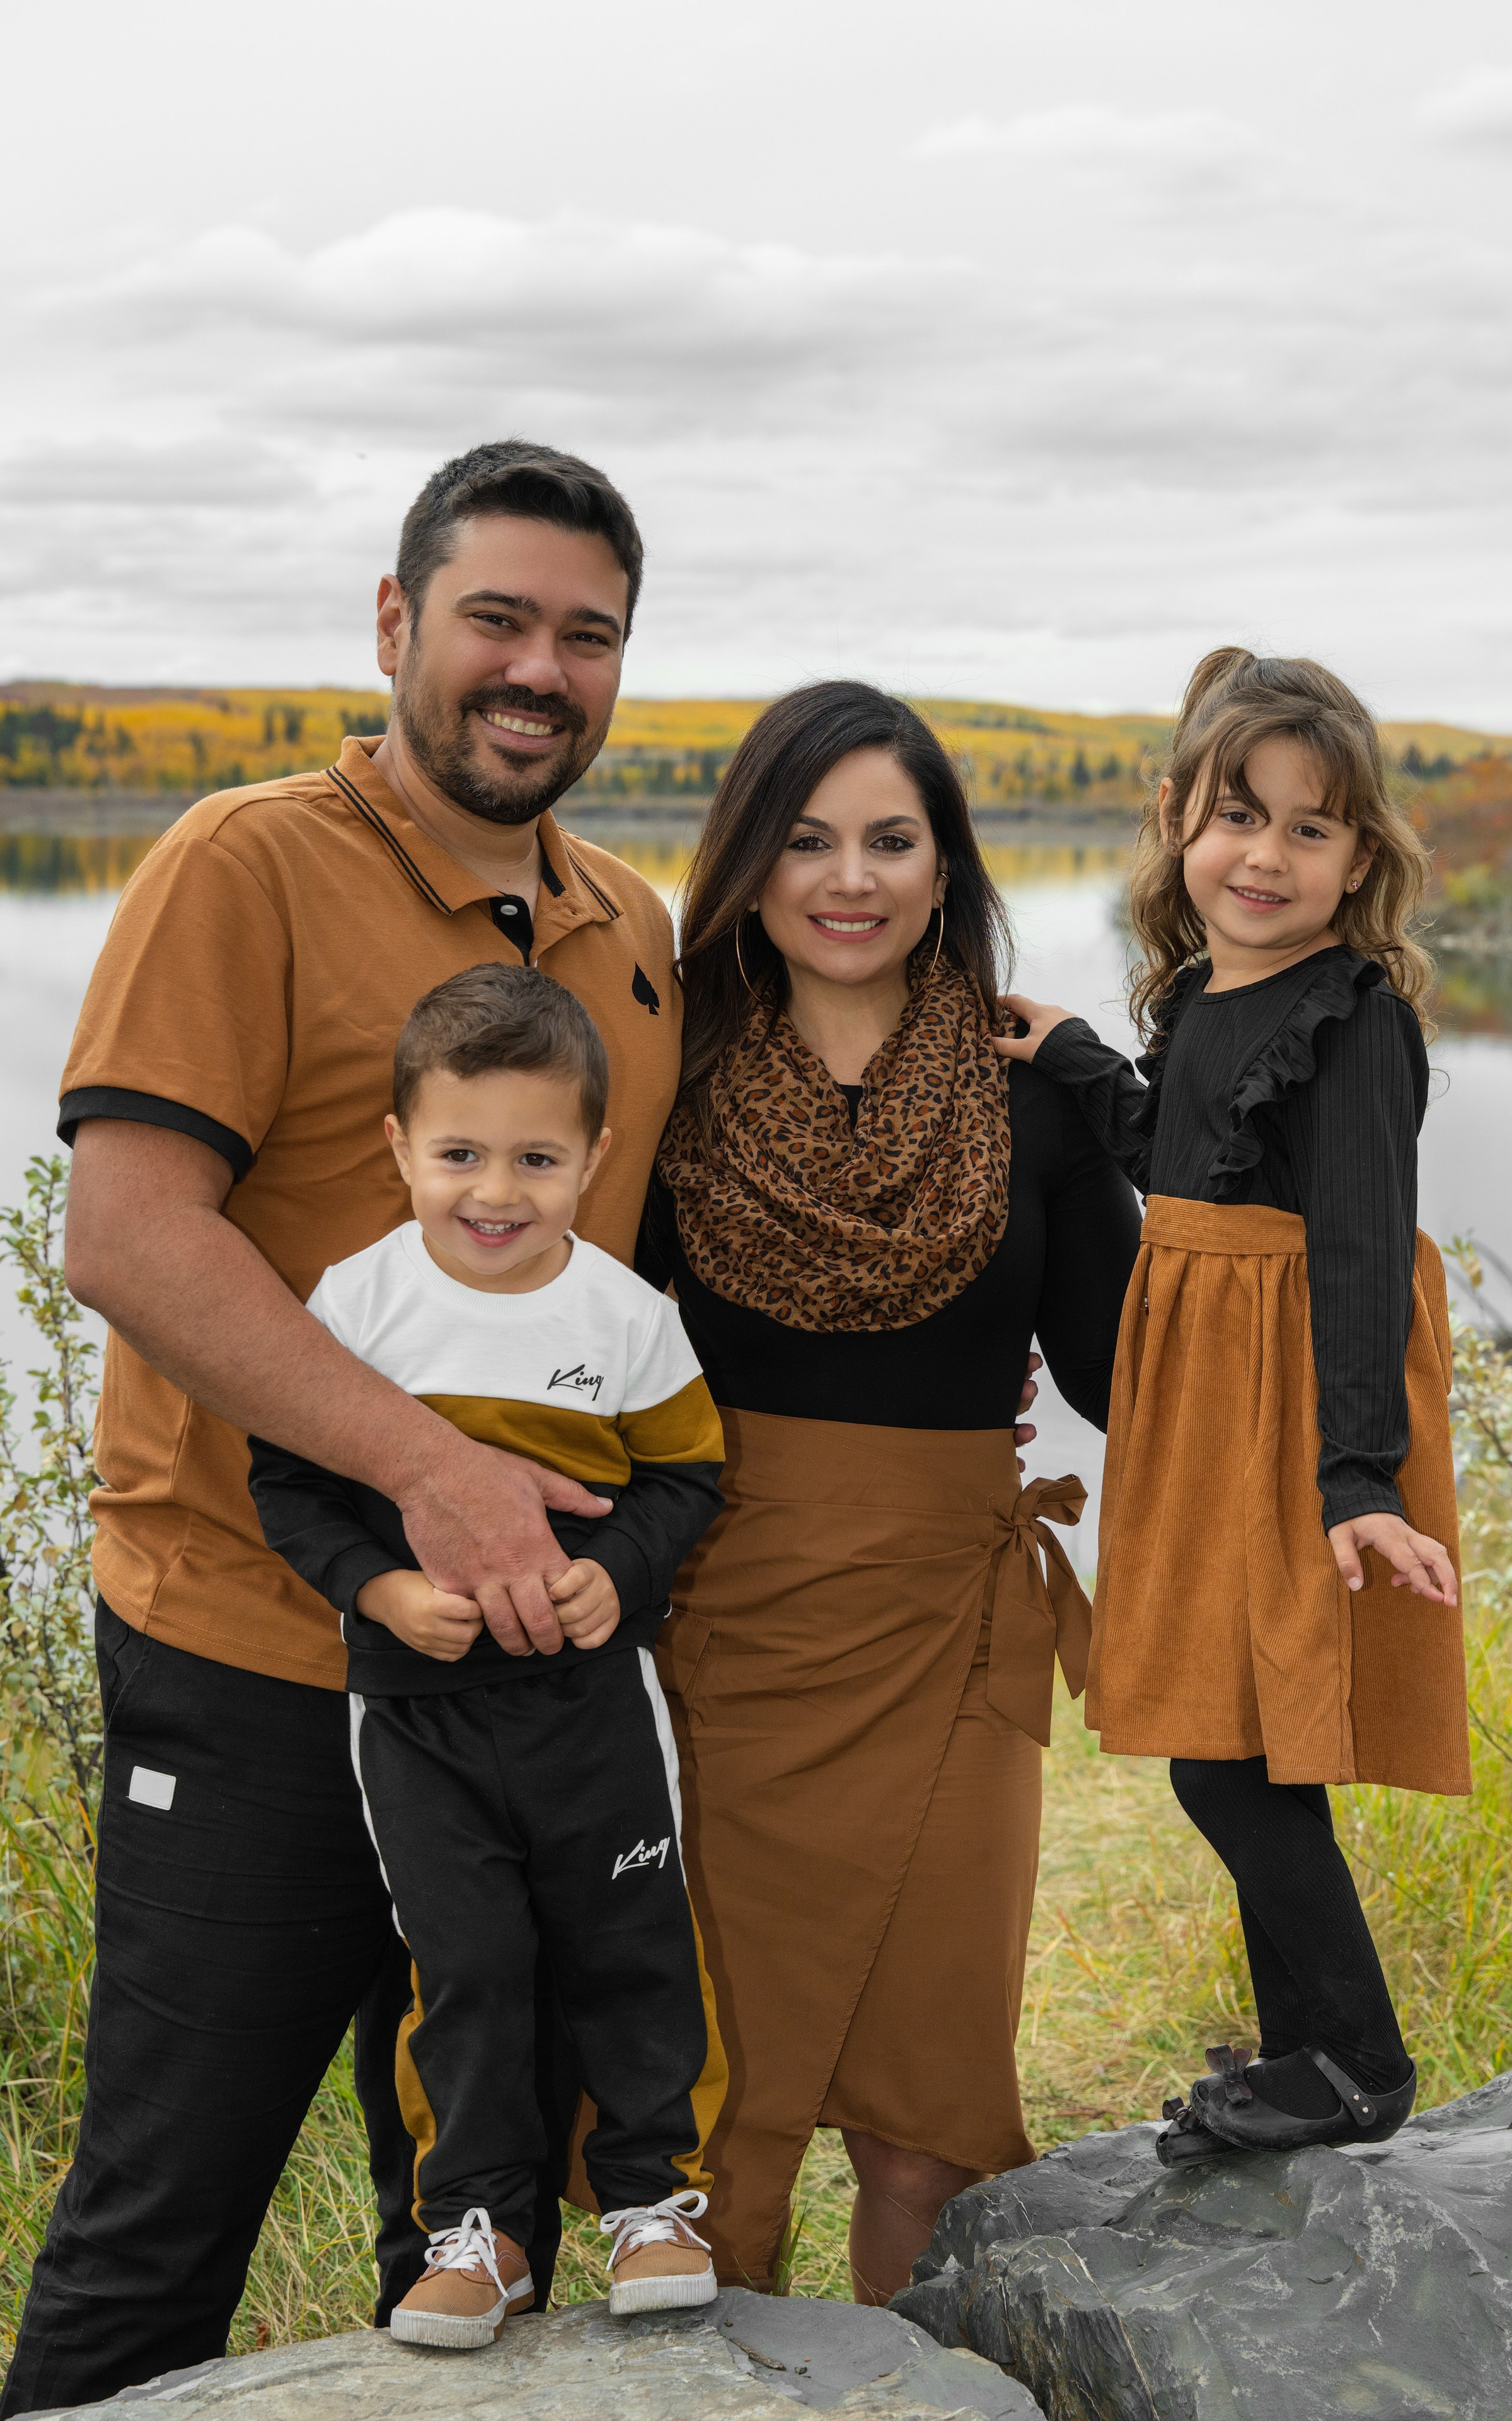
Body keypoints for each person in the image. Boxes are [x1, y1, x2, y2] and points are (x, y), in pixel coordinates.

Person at [3, 441, 685, 2417]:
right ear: (397, 625)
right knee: (162, 2215)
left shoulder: (626, 924)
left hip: (526, 1702)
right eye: (496, 617)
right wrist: (433, 1468)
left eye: (588, 634)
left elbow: (649, 1286)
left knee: (483, 2236)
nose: (537, 668)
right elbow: (127, 1235)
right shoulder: (246, 862)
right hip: (258, 1676)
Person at [640, 680, 1141, 2301]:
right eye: (804, 840)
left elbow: (1123, 1375)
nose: (846, 879)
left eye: (888, 839)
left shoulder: (1035, 1093)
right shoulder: (662, 1083)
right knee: (729, 2144)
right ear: (744, 865)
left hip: (949, 1634)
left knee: (932, 2130)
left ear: (945, 868)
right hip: (720, 1632)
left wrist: (1183, 1118)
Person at [998, 646, 1467, 2165]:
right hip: (1206, 1398)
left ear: (1357, 862)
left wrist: (1354, 1476)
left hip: (1290, 1406)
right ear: (1176, 826)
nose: (1262, 854)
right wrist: (1076, 1063)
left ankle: (1357, 2056)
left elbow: (1349, 1255)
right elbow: (1182, 1160)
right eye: (1234, 815)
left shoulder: (1353, 1017)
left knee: (1228, 1751)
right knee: (1238, 1735)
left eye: (1307, 827)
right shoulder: (1205, 993)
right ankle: (1305, 2053)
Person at [248, 965, 727, 2343]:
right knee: (459, 1968)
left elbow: (686, 1481)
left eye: (535, 1158)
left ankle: (652, 2200)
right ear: (397, 1146)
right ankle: (482, 2230)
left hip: (591, 1710)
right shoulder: (354, 1305)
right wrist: (383, 1589)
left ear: (594, 1156)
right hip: (416, 1720)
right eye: (457, 1155)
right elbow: (286, 1484)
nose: (494, 1193)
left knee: (630, 1944)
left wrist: (611, 1583)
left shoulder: (625, 1316)